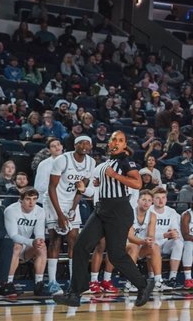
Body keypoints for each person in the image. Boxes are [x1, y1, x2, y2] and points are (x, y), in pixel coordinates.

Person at [60, 130, 153, 308]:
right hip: (101, 208)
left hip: (119, 210)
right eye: (114, 140)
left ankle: (143, 284)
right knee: (80, 246)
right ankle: (75, 293)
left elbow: (138, 183)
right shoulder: (104, 164)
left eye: (120, 140)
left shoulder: (126, 162)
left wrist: (116, 176)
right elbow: (98, 187)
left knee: (116, 255)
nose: (116, 142)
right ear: (109, 143)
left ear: (124, 145)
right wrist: (90, 186)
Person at [45, 135, 95, 294]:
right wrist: (60, 215)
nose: (85, 145)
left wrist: (74, 208)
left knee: (74, 240)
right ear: (75, 145)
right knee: (56, 240)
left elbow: (82, 188)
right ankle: (52, 282)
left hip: (71, 201)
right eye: (82, 143)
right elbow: (51, 188)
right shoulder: (62, 160)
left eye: (88, 143)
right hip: (55, 201)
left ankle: (74, 281)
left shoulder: (91, 163)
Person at [0, 187, 49, 297]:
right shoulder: (11, 210)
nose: (31, 202)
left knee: (42, 247)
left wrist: (39, 241)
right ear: (21, 200)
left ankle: (39, 284)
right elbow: (13, 235)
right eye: (28, 199)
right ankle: (8, 283)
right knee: (17, 246)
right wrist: (31, 242)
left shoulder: (40, 211)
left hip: (27, 246)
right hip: (8, 247)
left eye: (34, 199)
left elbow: (39, 233)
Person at [150, 188, 183, 289]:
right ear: (152, 199)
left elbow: (175, 229)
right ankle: (152, 279)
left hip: (164, 244)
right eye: (158, 198)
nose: (161, 200)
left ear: (166, 199)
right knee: (152, 245)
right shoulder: (149, 211)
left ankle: (172, 278)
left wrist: (174, 233)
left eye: (163, 198)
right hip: (150, 243)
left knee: (178, 242)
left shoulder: (171, 211)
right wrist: (164, 235)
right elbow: (147, 234)